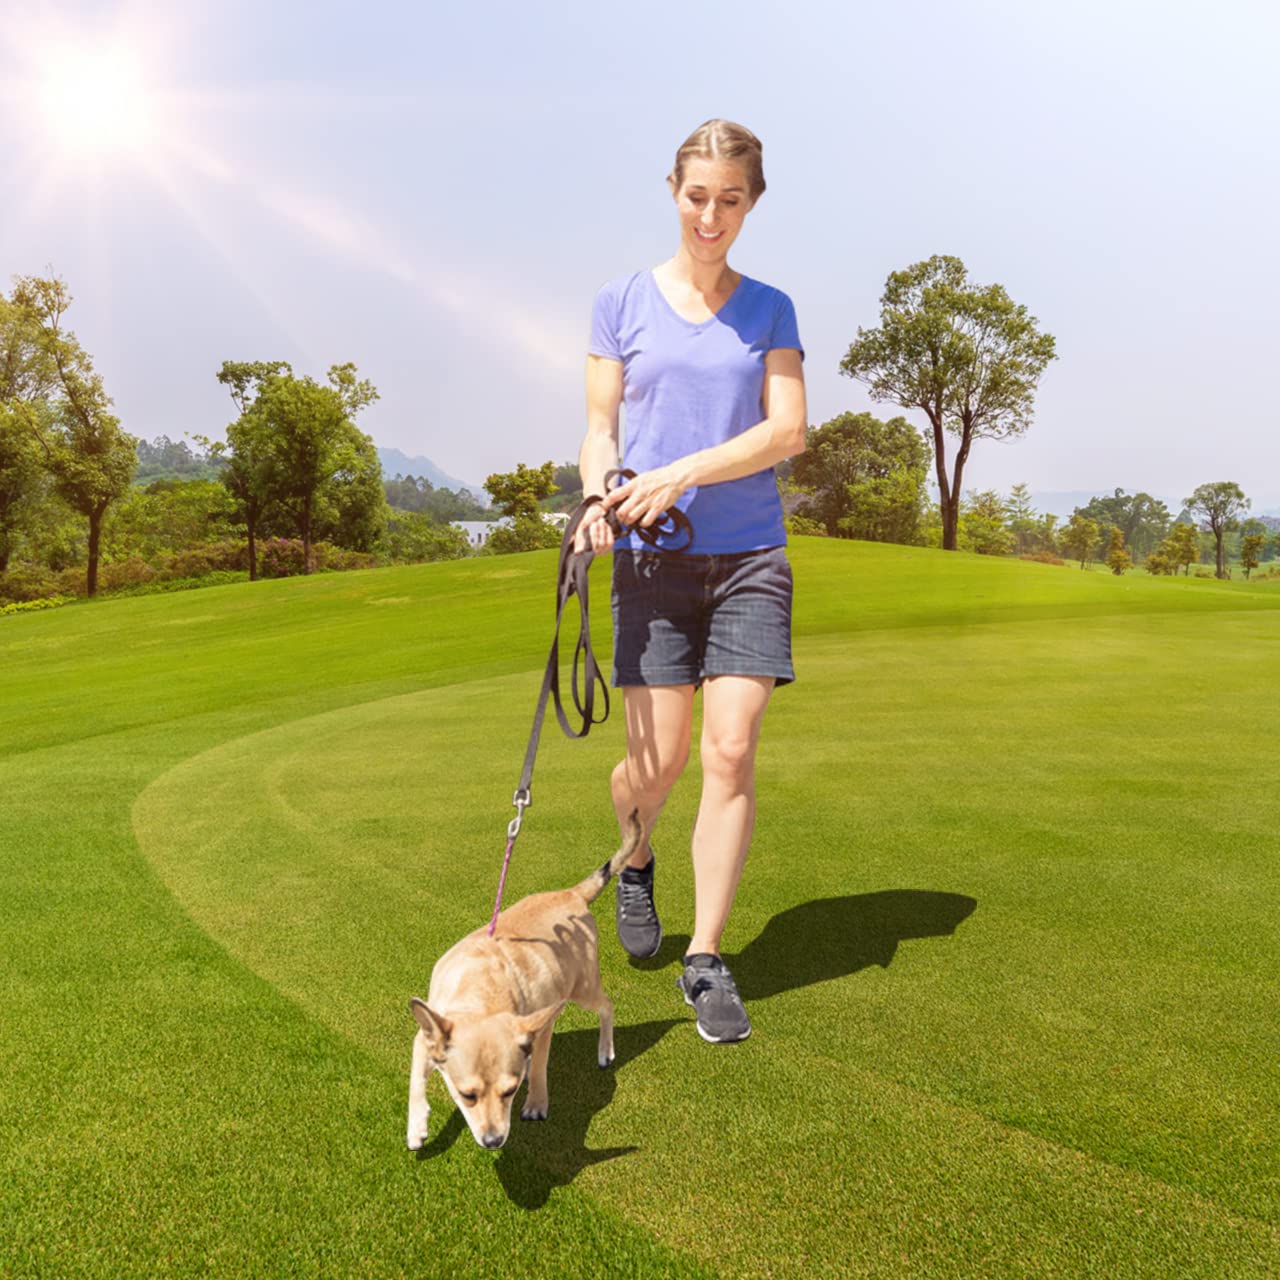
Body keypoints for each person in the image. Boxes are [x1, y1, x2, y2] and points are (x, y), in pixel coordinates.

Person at [576, 119, 807, 1044]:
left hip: (749, 555)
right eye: (697, 195)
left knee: (729, 750)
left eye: (732, 199)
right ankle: (636, 861)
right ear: (673, 190)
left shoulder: (772, 309)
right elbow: (601, 425)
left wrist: (677, 472)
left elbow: (785, 431)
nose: (711, 215)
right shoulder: (620, 302)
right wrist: (601, 493)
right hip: (652, 561)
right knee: (656, 763)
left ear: (752, 203)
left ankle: (706, 957)